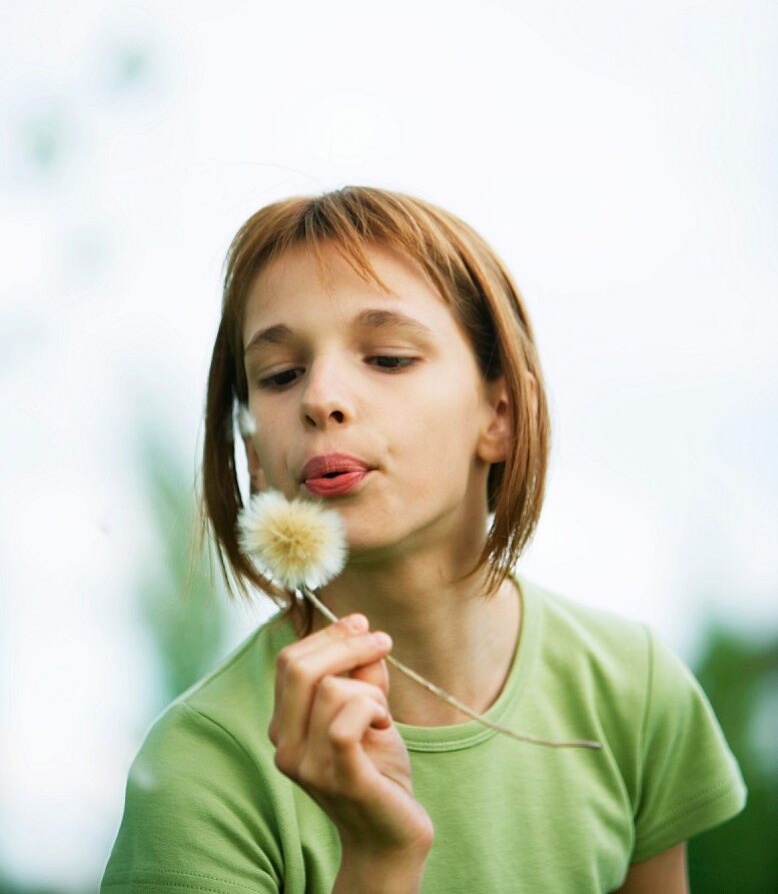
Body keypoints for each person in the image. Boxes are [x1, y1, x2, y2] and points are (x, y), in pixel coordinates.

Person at [101, 186, 746, 893]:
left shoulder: (634, 687)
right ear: (255, 456)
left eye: (387, 358)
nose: (321, 397)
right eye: (280, 376)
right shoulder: (203, 766)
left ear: (499, 415)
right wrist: (379, 858)